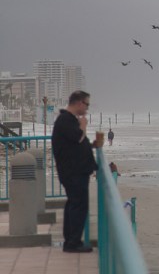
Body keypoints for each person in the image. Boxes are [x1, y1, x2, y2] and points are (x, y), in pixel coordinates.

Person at [51, 90, 103, 253]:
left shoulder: (67, 120)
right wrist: (83, 126)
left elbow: (76, 143)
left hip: (74, 171)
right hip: (73, 172)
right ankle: (73, 243)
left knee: (75, 204)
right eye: (86, 104)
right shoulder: (66, 120)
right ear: (79, 103)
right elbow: (77, 138)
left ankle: (72, 241)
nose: (87, 108)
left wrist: (92, 145)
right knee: (78, 205)